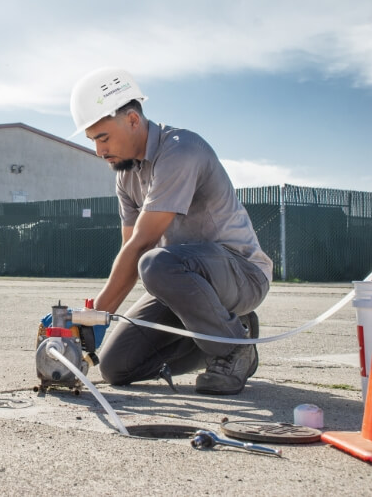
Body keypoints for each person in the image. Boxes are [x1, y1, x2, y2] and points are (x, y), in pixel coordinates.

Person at [69, 67, 273, 395]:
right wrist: (92, 325)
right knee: (116, 367)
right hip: (181, 281)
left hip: (241, 276)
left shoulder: (180, 149)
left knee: (154, 261)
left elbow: (143, 246)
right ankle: (225, 329)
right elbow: (130, 252)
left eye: (103, 137)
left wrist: (93, 317)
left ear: (133, 120)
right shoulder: (126, 177)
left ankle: (235, 346)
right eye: (92, 140)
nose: (98, 151)